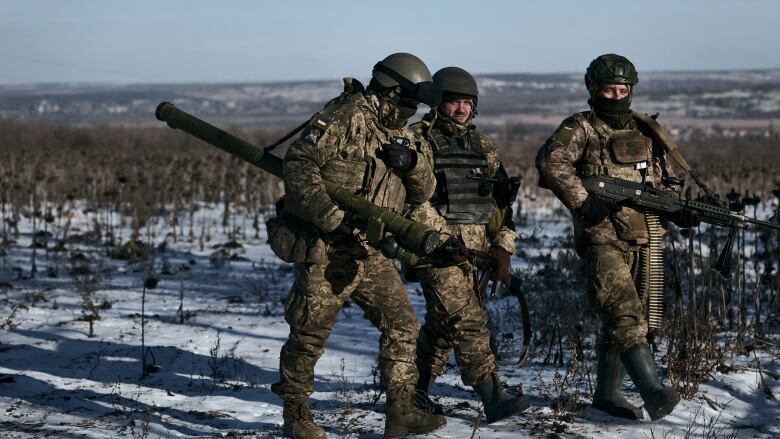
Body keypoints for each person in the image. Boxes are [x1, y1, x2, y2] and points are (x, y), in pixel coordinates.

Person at [269, 53, 446, 438]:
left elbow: (426, 191)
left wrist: (412, 163)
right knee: (309, 334)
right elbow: (299, 163)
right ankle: (296, 415)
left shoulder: (403, 132)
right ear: (392, 91)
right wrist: (332, 217)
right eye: (409, 100)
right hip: (327, 248)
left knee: (402, 325)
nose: (413, 110)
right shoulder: (346, 116)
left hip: (370, 251)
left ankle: (400, 411)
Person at [535, 54, 699, 421]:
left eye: (623, 89)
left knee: (631, 319)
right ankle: (653, 393)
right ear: (594, 90)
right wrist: (582, 203)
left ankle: (606, 397)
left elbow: (665, 180)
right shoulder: (582, 128)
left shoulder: (647, 131)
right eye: (609, 89)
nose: (617, 95)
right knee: (625, 316)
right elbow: (550, 162)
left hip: (645, 235)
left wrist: (678, 209)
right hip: (602, 237)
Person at [406, 66, 530, 423]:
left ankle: (412, 391)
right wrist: (443, 240)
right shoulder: (417, 140)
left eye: (467, 102)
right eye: (453, 102)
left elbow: (501, 206)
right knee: (467, 320)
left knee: (443, 327)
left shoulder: (483, 145)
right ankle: (492, 394)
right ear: (436, 103)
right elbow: (412, 202)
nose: (460, 109)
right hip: (433, 250)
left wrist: (503, 247)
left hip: (475, 254)